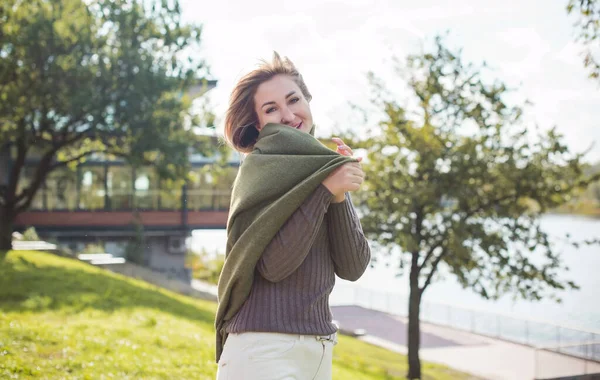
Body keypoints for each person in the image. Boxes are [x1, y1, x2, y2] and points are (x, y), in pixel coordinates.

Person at [216, 52, 371, 380]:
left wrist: (338, 195)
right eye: (271, 109)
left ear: (308, 100)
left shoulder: (320, 167)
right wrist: (325, 191)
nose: (288, 115)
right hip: (263, 348)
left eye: (293, 100)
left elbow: (353, 266)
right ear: (258, 123)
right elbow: (274, 267)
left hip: (317, 350)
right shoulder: (260, 170)